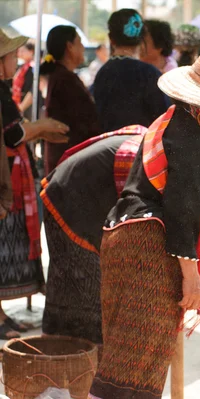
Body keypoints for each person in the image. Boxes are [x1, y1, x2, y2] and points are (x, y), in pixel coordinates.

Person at [88, 42, 200, 398]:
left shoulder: (169, 121)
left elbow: (172, 186)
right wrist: (192, 278)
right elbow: (182, 209)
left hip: (121, 237)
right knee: (139, 363)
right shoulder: (195, 138)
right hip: (149, 248)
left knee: (120, 354)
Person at [41, 126, 145, 344]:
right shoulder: (138, 158)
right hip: (66, 201)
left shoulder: (151, 149)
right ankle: (72, 352)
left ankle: (68, 349)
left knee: (77, 283)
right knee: (83, 283)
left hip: (77, 197)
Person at [0, 29, 69, 339]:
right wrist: (40, 127)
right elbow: (12, 135)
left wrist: (39, 132)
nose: (17, 59)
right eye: (12, 55)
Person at [94, 9, 170, 132]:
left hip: (108, 147)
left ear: (111, 39)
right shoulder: (150, 73)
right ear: (142, 39)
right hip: (141, 147)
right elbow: (164, 117)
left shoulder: (103, 73)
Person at [40, 25, 102, 174]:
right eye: (79, 42)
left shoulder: (61, 75)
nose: (82, 48)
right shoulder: (65, 79)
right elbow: (85, 121)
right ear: (69, 46)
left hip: (65, 160)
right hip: (68, 162)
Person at [12, 42, 40, 120]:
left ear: (31, 52)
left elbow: (34, 89)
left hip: (28, 105)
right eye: (19, 51)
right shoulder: (21, 67)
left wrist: (22, 107)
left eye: (23, 51)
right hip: (18, 102)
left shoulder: (35, 67)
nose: (20, 53)